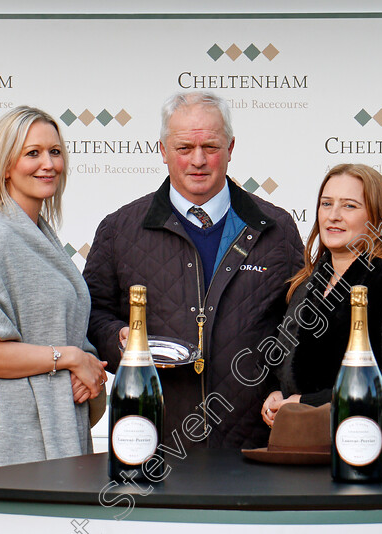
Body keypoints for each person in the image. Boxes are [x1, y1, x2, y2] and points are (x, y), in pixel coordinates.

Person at [83, 91, 304, 449]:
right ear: (163, 150)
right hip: (152, 439)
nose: (198, 160)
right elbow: (91, 312)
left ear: (231, 148)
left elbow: (301, 325)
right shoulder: (119, 229)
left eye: (211, 147)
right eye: (184, 148)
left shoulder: (276, 228)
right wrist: (118, 338)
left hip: (255, 444)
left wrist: (287, 387)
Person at [0, 106, 108, 469]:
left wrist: (86, 372)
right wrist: (70, 359)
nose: (48, 163)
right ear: (5, 166)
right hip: (12, 426)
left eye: (55, 151)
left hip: (57, 416)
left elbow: (66, 333)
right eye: (32, 153)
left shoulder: (41, 236)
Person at [262, 163, 382, 460]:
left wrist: (309, 402)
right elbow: (289, 368)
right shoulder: (304, 285)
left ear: (377, 217)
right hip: (311, 455)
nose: (333, 215)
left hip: (381, 459)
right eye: (326, 204)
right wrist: (279, 396)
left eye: (349, 206)